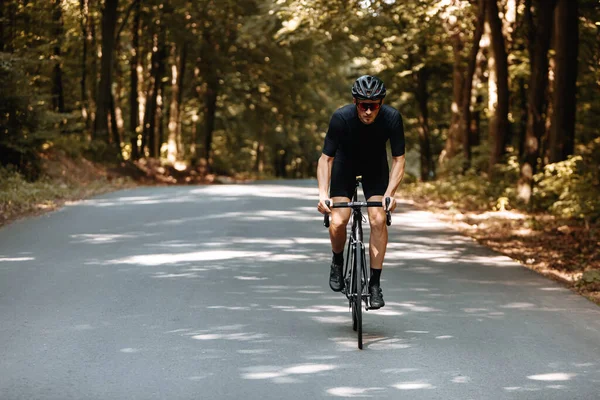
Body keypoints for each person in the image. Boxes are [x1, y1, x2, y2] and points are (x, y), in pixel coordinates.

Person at [316, 75, 406, 309]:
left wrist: (390, 193)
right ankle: (337, 261)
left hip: (375, 168)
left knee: (378, 219)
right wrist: (322, 194)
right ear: (355, 102)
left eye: (373, 105)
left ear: (381, 104)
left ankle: (375, 284)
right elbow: (326, 159)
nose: (368, 111)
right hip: (345, 166)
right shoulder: (341, 117)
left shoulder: (392, 118)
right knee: (338, 220)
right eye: (363, 105)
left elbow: (398, 159)